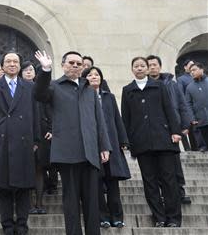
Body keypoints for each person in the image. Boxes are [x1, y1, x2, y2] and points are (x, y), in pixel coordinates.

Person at [34, 50, 111, 235]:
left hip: (90, 152)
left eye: (79, 63)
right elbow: (39, 93)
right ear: (63, 65)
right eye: (71, 63)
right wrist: (45, 70)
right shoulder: (54, 86)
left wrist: (104, 146)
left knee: (92, 203)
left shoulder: (89, 90)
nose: (75, 66)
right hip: (67, 154)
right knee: (71, 203)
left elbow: (99, 120)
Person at [0, 52, 39, 235]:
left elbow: (35, 114)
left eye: (16, 61)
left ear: (20, 65)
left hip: (24, 140)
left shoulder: (29, 87)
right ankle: (7, 224)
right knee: (3, 186)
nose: (12, 64)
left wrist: (36, 138)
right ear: (2, 65)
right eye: (8, 61)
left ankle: (22, 224)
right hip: (1, 139)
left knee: (24, 186)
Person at [121, 57, 182, 227]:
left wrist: (175, 131)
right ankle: (159, 217)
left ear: (148, 69)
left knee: (169, 180)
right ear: (132, 69)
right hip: (141, 142)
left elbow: (169, 109)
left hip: (163, 139)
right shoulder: (128, 90)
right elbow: (125, 117)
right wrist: (125, 139)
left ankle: (174, 218)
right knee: (150, 182)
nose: (139, 68)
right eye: (136, 66)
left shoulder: (159, 86)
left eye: (142, 66)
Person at [82, 67, 131, 228]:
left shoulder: (108, 97)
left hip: (111, 144)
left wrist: (123, 140)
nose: (94, 77)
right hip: (91, 145)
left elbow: (117, 118)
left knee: (112, 182)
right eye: (90, 75)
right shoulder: (81, 97)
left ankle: (117, 216)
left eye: (97, 75)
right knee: (96, 182)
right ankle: (102, 217)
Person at [147, 55, 193, 204]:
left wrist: (185, 124)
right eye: (150, 65)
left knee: (175, 162)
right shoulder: (144, 85)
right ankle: (163, 192)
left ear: (159, 66)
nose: (152, 67)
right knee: (158, 163)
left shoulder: (171, 84)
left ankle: (180, 191)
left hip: (172, 128)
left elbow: (181, 103)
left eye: (155, 64)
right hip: (154, 129)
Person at [19, 61, 52, 215]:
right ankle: (28, 204)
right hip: (23, 133)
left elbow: (50, 109)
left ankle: (39, 203)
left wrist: (52, 128)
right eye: (25, 70)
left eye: (31, 70)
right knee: (26, 169)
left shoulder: (42, 88)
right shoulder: (17, 88)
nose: (28, 72)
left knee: (39, 168)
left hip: (43, 132)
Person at [186, 62, 208, 149]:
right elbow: (188, 104)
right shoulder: (189, 87)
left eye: (194, 70)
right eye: (190, 71)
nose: (192, 72)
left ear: (201, 69)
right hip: (200, 120)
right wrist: (192, 118)